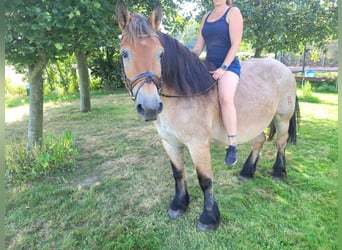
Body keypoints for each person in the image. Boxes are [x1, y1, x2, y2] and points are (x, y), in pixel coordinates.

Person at [192, 0, 243, 166]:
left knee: (225, 98)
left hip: (228, 66)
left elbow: (236, 44)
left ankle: (232, 145)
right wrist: (189, 60)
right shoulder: (206, 16)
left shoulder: (233, 12)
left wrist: (224, 68)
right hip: (209, 65)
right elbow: (199, 45)